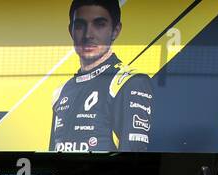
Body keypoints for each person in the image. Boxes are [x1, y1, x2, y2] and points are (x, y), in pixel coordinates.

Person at [49, 0, 154, 153]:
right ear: (70, 31)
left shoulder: (129, 82)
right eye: (79, 25)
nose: (88, 35)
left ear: (115, 30)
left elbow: (133, 160)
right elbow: (52, 157)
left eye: (99, 24)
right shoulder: (61, 92)